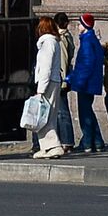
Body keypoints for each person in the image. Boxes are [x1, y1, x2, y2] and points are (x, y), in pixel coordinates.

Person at [66, 13, 106, 152]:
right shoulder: (92, 39)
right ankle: (98, 142)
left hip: (86, 83)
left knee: (85, 114)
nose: (77, 26)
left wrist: (76, 80)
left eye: (79, 24)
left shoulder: (87, 41)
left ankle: (88, 142)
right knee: (88, 112)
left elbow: (87, 63)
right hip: (91, 82)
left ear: (85, 26)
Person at [32, 17, 65, 159]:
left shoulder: (47, 42)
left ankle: (54, 146)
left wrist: (41, 89)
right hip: (54, 81)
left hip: (48, 82)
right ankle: (46, 147)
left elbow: (46, 67)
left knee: (44, 116)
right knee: (47, 115)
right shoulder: (54, 42)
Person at [53, 12, 76, 148]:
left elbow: (63, 60)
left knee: (62, 111)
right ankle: (65, 139)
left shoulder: (61, 39)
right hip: (64, 77)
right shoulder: (66, 36)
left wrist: (62, 81)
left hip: (60, 79)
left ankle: (67, 140)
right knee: (61, 110)